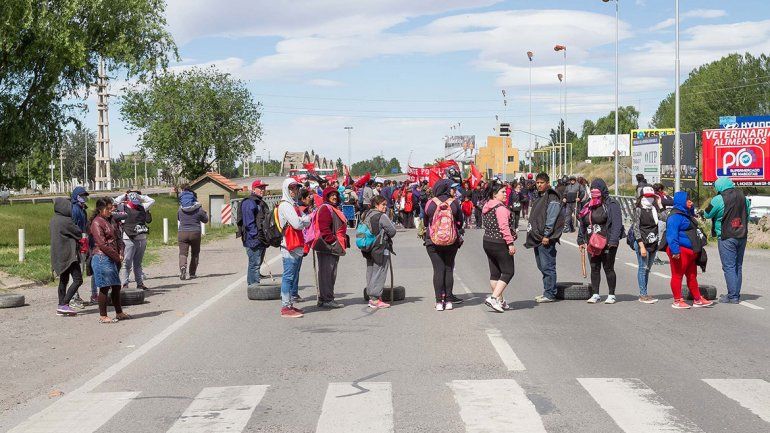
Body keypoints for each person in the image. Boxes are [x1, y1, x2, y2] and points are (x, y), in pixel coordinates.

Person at [703, 177, 750, 304]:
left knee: (729, 266)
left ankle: (732, 296)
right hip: (742, 235)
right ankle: (735, 294)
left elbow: (707, 214)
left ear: (719, 187)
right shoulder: (743, 197)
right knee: (738, 266)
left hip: (726, 236)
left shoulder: (718, 199)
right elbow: (748, 214)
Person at [577, 179, 623, 304]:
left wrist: (613, 240)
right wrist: (580, 239)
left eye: (596, 191)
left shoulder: (611, 204)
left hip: (607, 242)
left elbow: (617, 223)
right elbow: (582, 222)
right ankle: (595, 294)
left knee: (608, 268)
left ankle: (611, 294)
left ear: (602, 191)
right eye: (592, 191)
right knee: (594, 267)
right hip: (592, 241)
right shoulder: (588, 204)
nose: (594, 193)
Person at [665, 191, 714, 309]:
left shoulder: (685, 213)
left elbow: (693, 215)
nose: (691, 202)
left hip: (691, 251)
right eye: (688, 200)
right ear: (681, 202)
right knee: (677, 276)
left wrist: (690, 207)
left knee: (692, 276)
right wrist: (675, 251)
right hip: (680, 251)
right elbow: (671, 235)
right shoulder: (674, 216)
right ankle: (677, 300)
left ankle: (697, 299)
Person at [424, 179, 464, 311]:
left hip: (433, 241)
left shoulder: (430, 203)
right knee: (448, 269)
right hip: (451, 241)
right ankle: (448, 301)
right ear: (446, 188)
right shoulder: (454, 203)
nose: (454, 190)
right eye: (452, 188)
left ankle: (439, 302)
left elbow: (425, 223)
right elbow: (460, 222)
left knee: (438, 270)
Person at [525, 173, 564, 303]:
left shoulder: (552, 197)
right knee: (541, 265)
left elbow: (551, 218)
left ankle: (550, 294)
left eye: (542, 182)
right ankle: (547, 291)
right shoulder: (541, 196)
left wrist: (547, 235)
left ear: (547, 183)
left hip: (546, 238)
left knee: (548, 266)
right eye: (537, 183)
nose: (539, 185)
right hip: (537, 238)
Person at [89, 197, 128, 323]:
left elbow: (119, 238)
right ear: (100, 209)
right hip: (102, 257)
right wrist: (116, 256)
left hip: (114, 257)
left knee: (116, 286)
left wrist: (121, 252)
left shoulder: (112, 220)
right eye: (108, 208)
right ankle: (103, 315)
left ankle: (119, 312)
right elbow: (102, 244)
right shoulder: (96, 222)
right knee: (105, 287)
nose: (111, 210)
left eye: (111, 208)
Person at [278, 179, 311, 318]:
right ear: (286, 189)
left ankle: (290, 304)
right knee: (288, 277)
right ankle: (285, 306)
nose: (294, 191)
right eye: (291, 188)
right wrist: (304, 221)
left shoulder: (294, 205)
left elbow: (305, 220)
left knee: (292, 277)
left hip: (296, 245)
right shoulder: (285, 206)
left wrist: (303, 220)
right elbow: (298, 223)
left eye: (296, 188)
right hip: (288, 246)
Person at [482, 182, 517, 313]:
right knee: (508, 272)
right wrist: (510, 243)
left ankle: (500, 301)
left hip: (487, 241)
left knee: (495, 273)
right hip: (499, 242)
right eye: (502, 192)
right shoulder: (500, 208)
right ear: (494, 194)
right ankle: (493, 298)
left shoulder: (487, 205)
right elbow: (504, 227)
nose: (505, 194)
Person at [50, 197, 86, 316]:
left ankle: (61, 305)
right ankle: (64, 304)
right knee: (78, 280)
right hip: (69, 255)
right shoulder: (66, 221)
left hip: (57, 254)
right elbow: (78, 233)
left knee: (63, 280)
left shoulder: (53, 220)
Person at [361, 195, 397, 309]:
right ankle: (375, 299)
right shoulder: (382, 216)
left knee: (371, 271)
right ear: (376, 205)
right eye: (383, 205)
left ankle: (372, 297)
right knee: (380, 271)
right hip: (380, 247)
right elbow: (392, 231)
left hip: (368, 247)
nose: (385, 207)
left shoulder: (366, 214)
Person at [315, 187, 348, 308]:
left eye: (335, 195)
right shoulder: (325, 208)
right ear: (326, 197)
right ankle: (327, 299)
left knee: (327, 273)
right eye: (331, 195)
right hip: (327, 247)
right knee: (328, 273)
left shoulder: (331, 208)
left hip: (329, 246)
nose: (334, 197)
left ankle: (324, 298)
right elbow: (324, 230)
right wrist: (334, 243)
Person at [114, 190, 154, 290]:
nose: (136, 204)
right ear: (129, 201)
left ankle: (140, 283)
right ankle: (125, 283)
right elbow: (115, 201)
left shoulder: (142, 207)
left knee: (138, 263)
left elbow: (152, 200)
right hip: (128, 238)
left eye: (137, 201)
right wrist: (125, 195)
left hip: (142, 238)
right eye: (134, 202)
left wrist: (140, 197)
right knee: (127, 263)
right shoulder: (123, 207)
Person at [632, 187, 662, 304]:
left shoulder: (654, 209)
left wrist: (660, 204)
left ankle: (645, 292)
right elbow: (636, 228)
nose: (650, 199)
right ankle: (642, 294)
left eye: (652, 197)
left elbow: (665, 217)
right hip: (642, 243)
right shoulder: (638, 209)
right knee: (642, 268)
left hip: (653, 243)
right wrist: (641, 246)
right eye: (647, 196)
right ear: (642, 197)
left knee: (647, 269)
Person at [241, 180, 269, 286]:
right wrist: (257, 236)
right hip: (253, 239)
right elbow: (249, 223)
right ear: (253, 189)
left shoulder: (259, 201)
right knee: (255, 264)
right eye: (260, 188)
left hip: (260, 238)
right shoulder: (249, 202)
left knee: (255, 263)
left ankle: (252, 285)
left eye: (264, 188)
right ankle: (254, 286)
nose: (262, 190)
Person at [177, 190, 209, 280]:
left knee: (183, 253)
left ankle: (183, 268)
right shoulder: (198, 209)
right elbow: (205, 220)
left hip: (182, 233)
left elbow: (179, 218)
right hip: (195, 233)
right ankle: (192, 273)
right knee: (195, 253)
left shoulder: (180, 208)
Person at [69, 186, 89, 307]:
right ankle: (72, 298)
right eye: (82, 196)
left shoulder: (82, 209)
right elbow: (73, 227)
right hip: (77, 242)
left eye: (85, 195)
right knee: (76, 271)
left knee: (80, 270)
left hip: (83, 241)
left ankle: (75, 295)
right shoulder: (74, 209)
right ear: (76, 197)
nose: (84, 198)